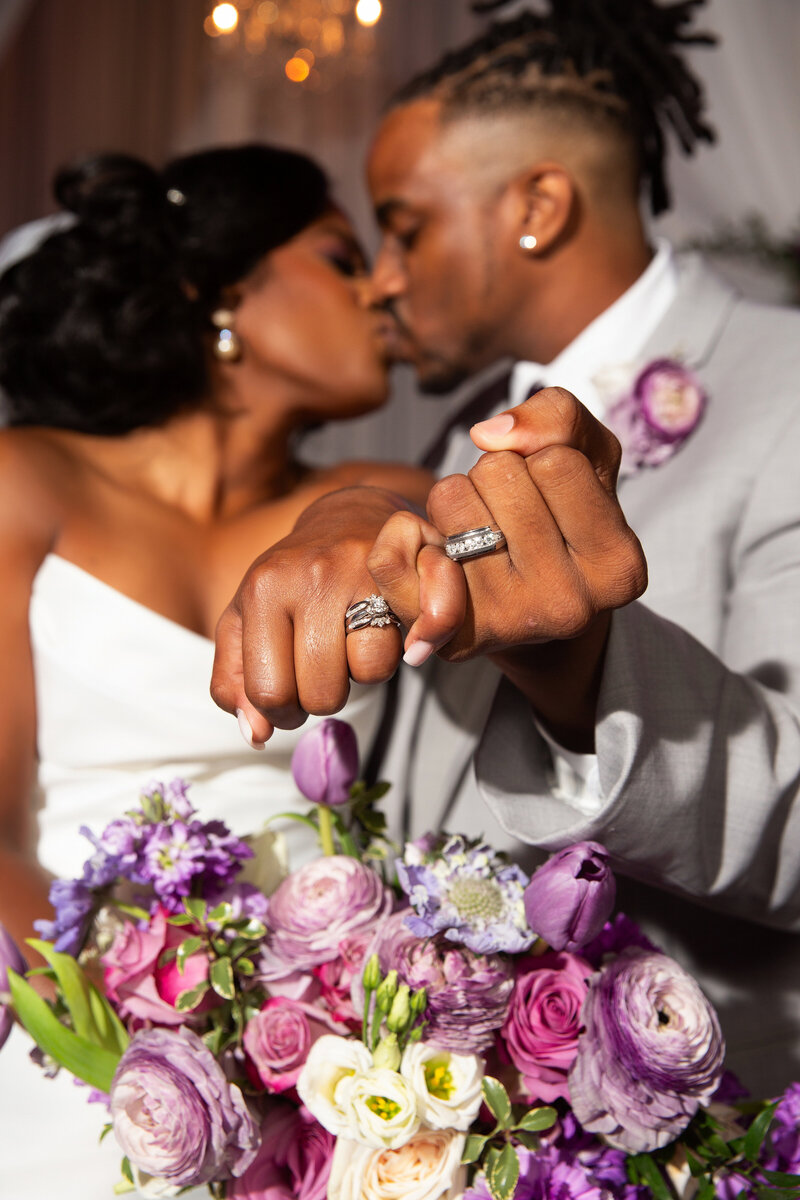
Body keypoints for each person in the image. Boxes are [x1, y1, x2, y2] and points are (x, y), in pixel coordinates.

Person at [211, 0, 800, 1100]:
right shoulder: (454, 437)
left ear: (536, 205)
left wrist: (582, 676)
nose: (381, 280)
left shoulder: (789, 387)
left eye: (405, 226)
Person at [0, 144, 431, 1199]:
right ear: (219, 294)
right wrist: (141, 1030)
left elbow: (427, 605)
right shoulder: (27, 480)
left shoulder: (387, 497)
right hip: (64, 1013)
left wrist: (299, 1034)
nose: (381, 284)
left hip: (330, 1044)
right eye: (341, 255)